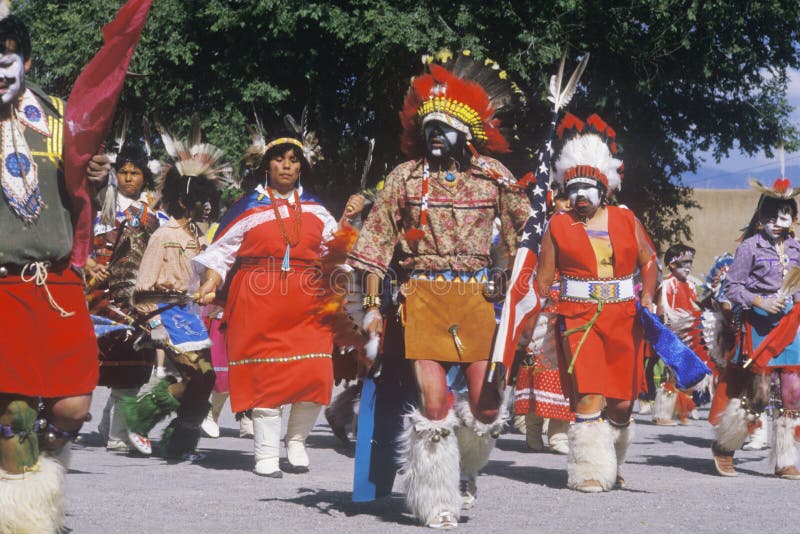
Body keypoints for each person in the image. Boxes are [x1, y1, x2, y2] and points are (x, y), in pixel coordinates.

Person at [346, 52, 528, 528]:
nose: (434, 133)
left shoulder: (493, 177)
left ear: (466, 133)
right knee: (434, 406)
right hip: (421, 297)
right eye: (428, 125)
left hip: (477, 299)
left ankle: (466, 468)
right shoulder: (403, 179)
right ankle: (437, 499)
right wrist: (369, 309)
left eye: (444, 125)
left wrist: (521, 283)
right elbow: (373, 246)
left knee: (487, 406)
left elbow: (524, 238)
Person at [0, 10, 111, 531]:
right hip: (0, 284)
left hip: (57, 281)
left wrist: (97, 175)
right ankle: (20, 519)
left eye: (9, 53)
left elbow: (83, 199)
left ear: (24, 59)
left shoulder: (61, 116)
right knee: (15, 410)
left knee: (71, 403)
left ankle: (33, 489)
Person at [194, 127, 359, 478]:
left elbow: (337, 252)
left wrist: (348, 222)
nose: (286, 166)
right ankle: (266, 454)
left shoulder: (316, 209)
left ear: (301, 168)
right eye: (279, 159)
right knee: (266, 378)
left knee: (315, 373)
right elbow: (221, 253)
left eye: (293, 161)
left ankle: (296, 441)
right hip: (258, 300)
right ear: (267, 165)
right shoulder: (247, 206)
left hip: (309, 303)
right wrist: (210, 281)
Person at [535, 113, 658, 492]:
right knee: (588, 395)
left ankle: (611, 460)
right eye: (573, 188)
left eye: (588, 187)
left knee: (621, 405)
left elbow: (648, 260)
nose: (580, 196)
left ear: (604, 189)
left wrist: (649, 297)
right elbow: (542, 278)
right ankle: (588, 469)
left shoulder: (625, 218)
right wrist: (530, 314)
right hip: (576, 317)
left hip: (623, 318)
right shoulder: (557, 225)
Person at [120, 124, 230, 460]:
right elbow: (142, 289)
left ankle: (178, 442)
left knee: (205, 380)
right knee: (200, 374)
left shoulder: (201, 238)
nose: (208, 207)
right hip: (166, 316)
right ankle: (139, 417)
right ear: (183, 201)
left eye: (210, 200)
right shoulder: (163, 234)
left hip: (191, 317)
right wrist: (154, 325)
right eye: (201, 200)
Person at [711, 178, 800, 478]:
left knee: (793, 392)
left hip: (791, 328)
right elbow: (732, 288)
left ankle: (785, 457)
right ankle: (726, 446)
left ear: (794, 219)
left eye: (783, 216)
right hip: (759, 328)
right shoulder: (750, 247)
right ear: (760, 218)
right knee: (758, 393)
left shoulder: (797, 248)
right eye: (770, 217)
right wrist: (759, 301)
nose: (777, 222)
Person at [87, 141, 165, 454]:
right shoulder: (100, 204)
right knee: (100, 359)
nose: (128, 178)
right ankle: (104, 424)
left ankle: (116, 432)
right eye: (123, 172)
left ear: (145, 177)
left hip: (136, 294)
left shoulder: (154, 215)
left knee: (133, 364)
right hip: (99, 291)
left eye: (135, 173)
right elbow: (82, 241)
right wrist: (91, 265)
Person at [653, 244, 703, 425]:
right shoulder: (667, 284)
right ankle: (661, 414)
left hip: (690, 334)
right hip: (672, 335)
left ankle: (682, 411)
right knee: (673, 374)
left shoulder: (690, 284)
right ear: (672, 265)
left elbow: (694, 306)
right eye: (684, 263)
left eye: (690, 262)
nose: (688, 267)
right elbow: (661, 309)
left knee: (689, 374)